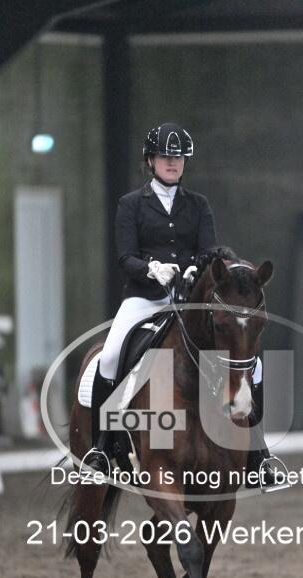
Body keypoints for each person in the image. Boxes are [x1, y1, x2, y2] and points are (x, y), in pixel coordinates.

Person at [86, 122, 277, 489]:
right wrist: (150, 269)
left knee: (253, 367)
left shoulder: (198, 205)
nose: (172, 163)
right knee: (109, 357)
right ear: (150, 161)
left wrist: (195, 269)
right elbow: (125, 256)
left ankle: (258, 455)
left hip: (189, 301)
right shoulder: (131, 204)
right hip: (144, 298)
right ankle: (101, 448)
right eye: (165, 157)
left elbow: (210, 253)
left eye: (178, 157)